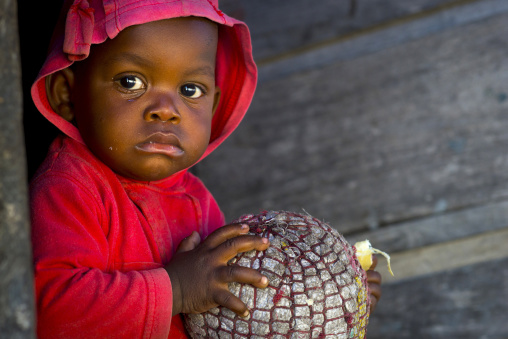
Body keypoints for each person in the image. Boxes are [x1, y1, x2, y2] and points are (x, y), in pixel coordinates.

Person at [29, 0, 381, 338]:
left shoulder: (197, 199)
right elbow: (48, 314)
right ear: (66, 95)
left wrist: (334, 304)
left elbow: (241, 313)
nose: (166, 110)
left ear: (212, 105)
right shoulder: (69, 189)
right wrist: (177, 289)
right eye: (130, 82)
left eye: (190, 89)